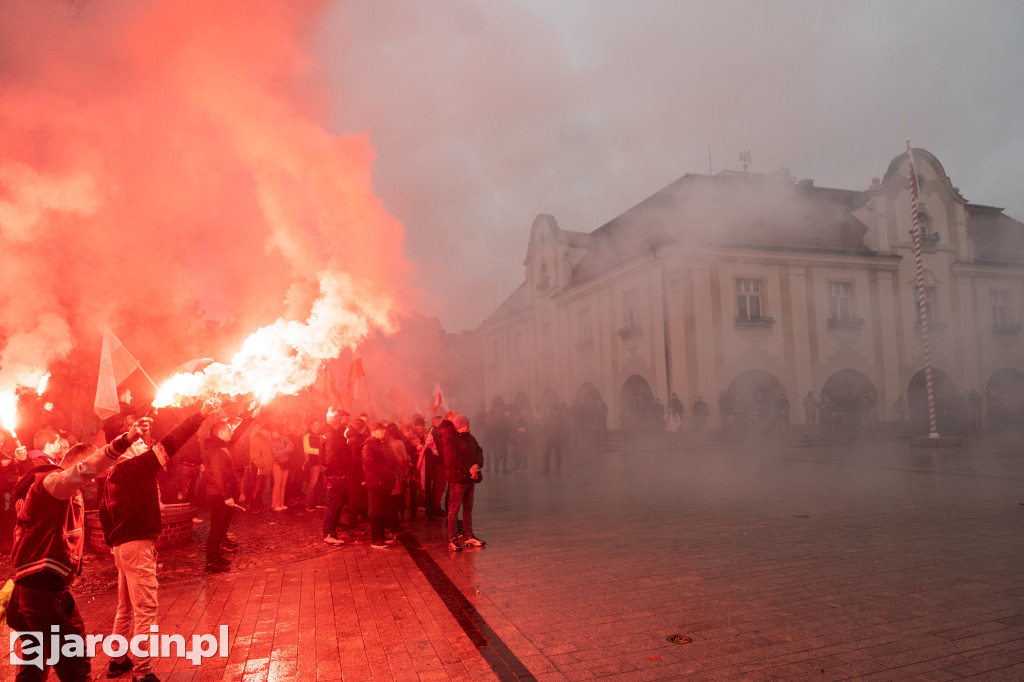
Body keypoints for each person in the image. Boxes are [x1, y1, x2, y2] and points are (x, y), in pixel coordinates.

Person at [8, 417, 151, 682]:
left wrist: (20, 463)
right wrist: (125, 441)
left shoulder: (37, 481)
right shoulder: (51, 484)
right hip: (43, 594)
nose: (90, 482)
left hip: (34, 591)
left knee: (34, 668)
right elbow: (84, 470)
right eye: (91, 477)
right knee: (75, 667)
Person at [99, 402, 214, 681]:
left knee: (125, 606)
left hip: (123, 548)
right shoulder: (132, 467)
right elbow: (170, 444)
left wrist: (114, 543)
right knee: (145, 609)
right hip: (136, 546)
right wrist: (198, 416)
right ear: (124, 445)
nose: (142, 445)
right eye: (135, 440)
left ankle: (117, 659)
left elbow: (104, 515)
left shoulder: (113, 474)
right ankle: (143, 672)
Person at [201, 410, 255, 572]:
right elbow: (217, 476)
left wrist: (250, 417)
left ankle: (216, 557)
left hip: (222, 494)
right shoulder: (216, 450)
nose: (232, 432)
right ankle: (211, 563)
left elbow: (238, 432)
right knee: (217, 529)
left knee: (220, 528)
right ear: (221, 432)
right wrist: (226, 496)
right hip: (218, 496)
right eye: (229, 429)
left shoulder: (220, 446)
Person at [446, 415, 484, 551]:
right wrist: (469, 469)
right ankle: (452, 539)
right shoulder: (449, 439)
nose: (469, 426)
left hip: (469, 479)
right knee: (453, 510)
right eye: (467, 424)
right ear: (461, 425)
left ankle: (469, 535)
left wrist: (476, 465)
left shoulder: (470, 437)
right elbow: (453, 458)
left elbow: (478, 451)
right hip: (458, 480)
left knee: (468, 508)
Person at [361, 422, 398, 548]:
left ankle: (381, 536)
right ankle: (375, 539)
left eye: (383, 430)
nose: (383, 432)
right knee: (376, 510)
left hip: (385, 482)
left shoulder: (383, 443)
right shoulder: (368, 446)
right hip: (376, 482)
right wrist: (387, 473)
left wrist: (393, 472)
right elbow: (371, 465)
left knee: (382, 510)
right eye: (380, 430)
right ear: (373, 432)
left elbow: (392, 459)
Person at [320, 408, 349, 545]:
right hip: (335, 475)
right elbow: (331, 457)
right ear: (336, 421)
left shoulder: (330, 433)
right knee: (333, 504)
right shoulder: (331, 435)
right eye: (340, 418)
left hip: (335, 474)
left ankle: (332, 531)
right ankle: (328, 533)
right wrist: (340, 473)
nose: (342, 420)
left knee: (335, 504)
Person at [246, 423, 273, 511]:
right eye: (266, 431)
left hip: (263, 469)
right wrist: (261, 465)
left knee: (261, 488)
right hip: (258, 468)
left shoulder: (264, 440)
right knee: (256, 488)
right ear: (262, 431)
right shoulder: (257, 439)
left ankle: (260, 505)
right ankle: (253, 507)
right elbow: (254, 455)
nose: (267, 433)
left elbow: (267, 454)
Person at [303, 419, 325, 512]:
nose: (318, 426)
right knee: (314, 482)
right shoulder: (307, 436)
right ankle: (309, 503)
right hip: (314, 462)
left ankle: (319, 501)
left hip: (322, 462)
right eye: (316, 424)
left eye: (319, 424)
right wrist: (319, 452)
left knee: (322, 482)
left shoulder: (320, 436)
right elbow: (307, 449)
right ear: (311, 425)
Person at [269, 427, 293, 511]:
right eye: (273, 432)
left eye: (276, 432)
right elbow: (275, 454)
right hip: (277, 463)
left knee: (283, 485)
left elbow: (292, 447)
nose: (274, 434)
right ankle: (275, 504)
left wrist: (282, 451)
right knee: (277, 484)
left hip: (285, 463)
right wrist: (286, 450)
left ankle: (281, 503)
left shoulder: (284, 437)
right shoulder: (270, 441)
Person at [541, 405, 564, 473]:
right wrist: (543, 435)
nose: (553, 411)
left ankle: (558, 469)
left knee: (558, 455)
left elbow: (562, 427)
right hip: (550, 438)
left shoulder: (560, 418)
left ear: (557, 410)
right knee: (547, 454)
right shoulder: (549, 417)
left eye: (554, 410)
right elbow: (545, 426)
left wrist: (562, 435)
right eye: (552, 410)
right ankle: (547, 469)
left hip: (557, 438)